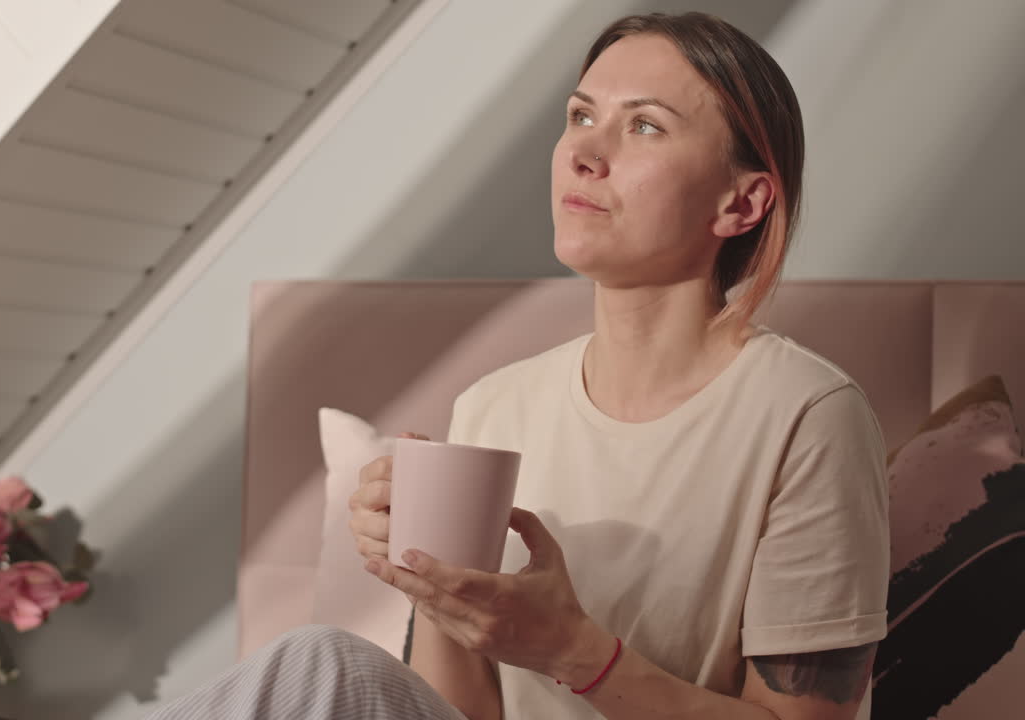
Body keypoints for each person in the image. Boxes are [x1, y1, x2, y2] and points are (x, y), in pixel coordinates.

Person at [147, 11, 888, 720]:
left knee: (322, 662)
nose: (584, 152)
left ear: (742, 204)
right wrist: (429, 580)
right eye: (580, 116)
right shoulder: (495, 406)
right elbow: (458, 711)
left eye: (645, 125)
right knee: (322, 669)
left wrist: (572, 649)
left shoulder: (807, 414)